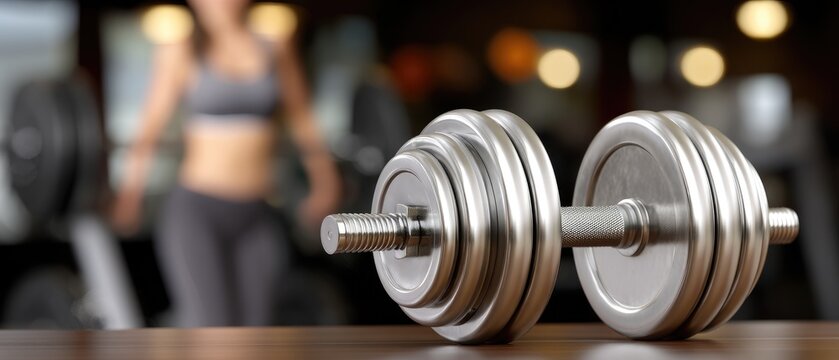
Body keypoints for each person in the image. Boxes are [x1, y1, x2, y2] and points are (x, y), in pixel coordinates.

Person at [112, 0, 341, 326]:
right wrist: (129, 195)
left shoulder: (274, 44)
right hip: (198, 212)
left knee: (257, 333)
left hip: (257, 214)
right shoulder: (182, 48)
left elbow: (302, 118)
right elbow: (149, 128)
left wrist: (326, 180)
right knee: (213, 330)